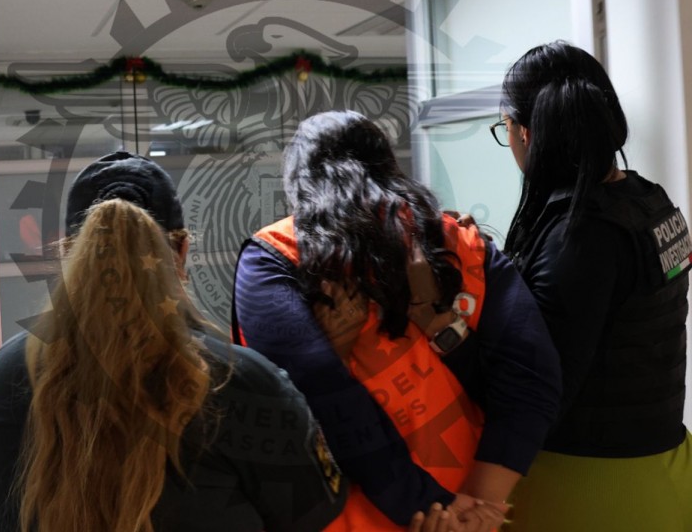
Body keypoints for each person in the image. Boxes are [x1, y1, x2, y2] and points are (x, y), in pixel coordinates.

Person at [0, 151, 348, 532]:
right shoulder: (242, 382)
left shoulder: (5, 378)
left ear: (68, 253)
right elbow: (309, 511)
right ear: (181, 251)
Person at [232, 111, 563, 531]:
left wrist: (426, 506)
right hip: (470, 510)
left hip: (357, 518)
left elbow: (318, 395)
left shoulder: (275, 258)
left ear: (300, 183)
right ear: (387, 164)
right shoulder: (462, 243)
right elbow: (532, 377)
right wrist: (479, 506)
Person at [495, 41, 692, 531]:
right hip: (667, 472)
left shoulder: (579, 236)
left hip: (588, 490)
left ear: (526, 132)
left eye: (504, 128)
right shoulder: (651, 201)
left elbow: (537, 391)